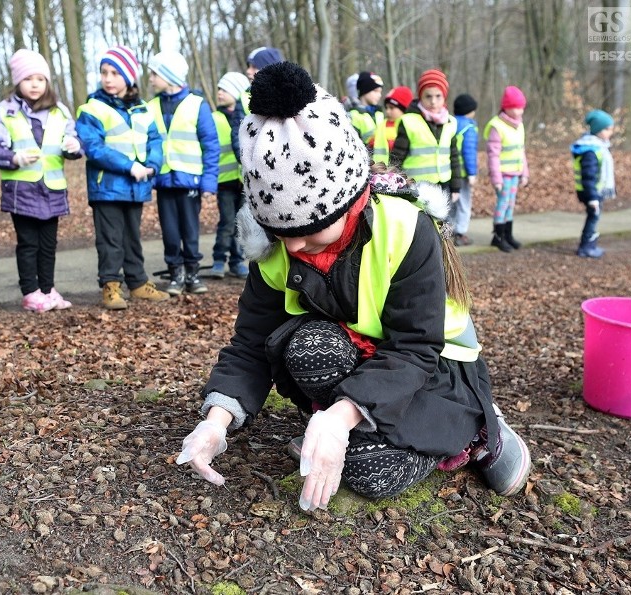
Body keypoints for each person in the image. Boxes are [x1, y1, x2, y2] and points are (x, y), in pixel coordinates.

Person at [176, 62, 531, 512]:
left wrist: (340, 417)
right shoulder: (275, 246)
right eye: (280, 230)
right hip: (361, 353)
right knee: (305, 349)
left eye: (309, 231)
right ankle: (351, 431)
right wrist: (217, 420)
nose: (293, 245)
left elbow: (416, 348)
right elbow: (250, 343)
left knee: (368, 470)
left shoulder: (404, 230)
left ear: (349, 202)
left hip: (435, 366)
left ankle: (475, 428)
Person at [0, 49, 83, 312]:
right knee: (28, 244)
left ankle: (47, 289)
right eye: (29, 79)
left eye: (40, 79)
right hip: (21, 191)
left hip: (52, 189)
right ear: (18, 81)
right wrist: (15, 158)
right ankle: (30, 292)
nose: (35, 84)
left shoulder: (60, 112)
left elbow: (74, 145)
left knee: (49, 244)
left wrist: (73, 147)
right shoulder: (6, 112)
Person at [76, 45, 168, 310]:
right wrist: (130, 166)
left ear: (129, 77)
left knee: (132, 238)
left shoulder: (143, 109)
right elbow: (94, 148)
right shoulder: (92, 109)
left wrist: (152, 164)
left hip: (136, 187)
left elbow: (154, 140)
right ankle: (111, 287)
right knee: (110, 240)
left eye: (115, 73)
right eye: (104, 72)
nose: (107, 78)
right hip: (107, 187)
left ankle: (138, 283)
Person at [147, 50, 219, 296]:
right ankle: (175, 272)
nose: (151, 78)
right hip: (164, 181)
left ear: (169, 76)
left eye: (155, 73)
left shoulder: (197, 105)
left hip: (190, 180)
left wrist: (209, 183)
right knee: (169, 231)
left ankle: (192, 272)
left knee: (190, 229)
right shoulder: (151, 106)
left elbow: (210, 145)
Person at [386, 69, 461, 203]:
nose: (433, 101)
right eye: (428, 96)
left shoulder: (451, 122)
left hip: (443, 186)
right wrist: (394, 184)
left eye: (438, 96)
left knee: (444, 223)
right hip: (415, 186)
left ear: (444, 97)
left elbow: (454, 157)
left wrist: (456, 187)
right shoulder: (409, 121)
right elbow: (397, 157)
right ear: (421, 96)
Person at [210, 72, 250, 279]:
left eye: (224, 89)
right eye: (218, 89)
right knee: (226, 222)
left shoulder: (247, 116)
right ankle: (219, 259)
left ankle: (238, 261)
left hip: (243, 181)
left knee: (241, 223)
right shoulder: (214, 118)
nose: (219, 93)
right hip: (224, 181)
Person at [484, 86, 528, 253]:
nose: (519, 111)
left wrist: (525, 172)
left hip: (515, 173)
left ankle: (508, 235)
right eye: (515, 107)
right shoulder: (497, 126)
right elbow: (493, 155)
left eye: (521, 107)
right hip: (503, 175)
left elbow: (521, 150)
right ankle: (498, 236)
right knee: (502, 204)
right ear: (506, 107)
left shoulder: (519, 125)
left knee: (511, 205)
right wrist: (497, 179)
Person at [571, 110, 616, 259]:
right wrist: (592, 198)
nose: (610, 132)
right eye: (607, 129)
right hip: (591, 192)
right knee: (593, 217)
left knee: (594, 217)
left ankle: (590, 244)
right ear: (598, 130)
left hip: (596, 191)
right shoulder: (591, 150)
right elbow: (588, 176)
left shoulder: (599, 147)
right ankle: (586, 247)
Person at [451, 93, 479, 247]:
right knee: (464, 203)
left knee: (452, 203)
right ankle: (460, 233)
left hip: (450, 171)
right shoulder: (469, 127)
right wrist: (472, 173)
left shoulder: (449, 122)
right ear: (470, 110)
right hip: (462, 173)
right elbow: (469, 152)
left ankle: (450, 231)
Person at [372, 85, 413, 164]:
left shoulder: (409, 126)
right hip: (381, 171)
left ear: (403, 109)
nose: (387, 111)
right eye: (386, 108)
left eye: (392, 108)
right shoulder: (381, 126)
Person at [347, 71, 384, 149]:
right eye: (375, 91)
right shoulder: (354, 115)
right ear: (364, 90)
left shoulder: (379, 114)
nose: (379, 95)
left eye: (380, 92)